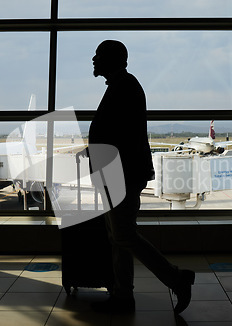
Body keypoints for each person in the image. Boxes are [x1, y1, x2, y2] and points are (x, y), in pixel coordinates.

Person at [84, 40, 195, 315]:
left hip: (122, 175)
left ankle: (176, 278)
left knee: (124, 236)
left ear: (113, 60)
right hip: (119, 174)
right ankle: (123, 295)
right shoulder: (123, 85)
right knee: (118, 238)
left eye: (99, 55)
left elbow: (119, 137)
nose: (94, 59)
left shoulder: (124, 88)